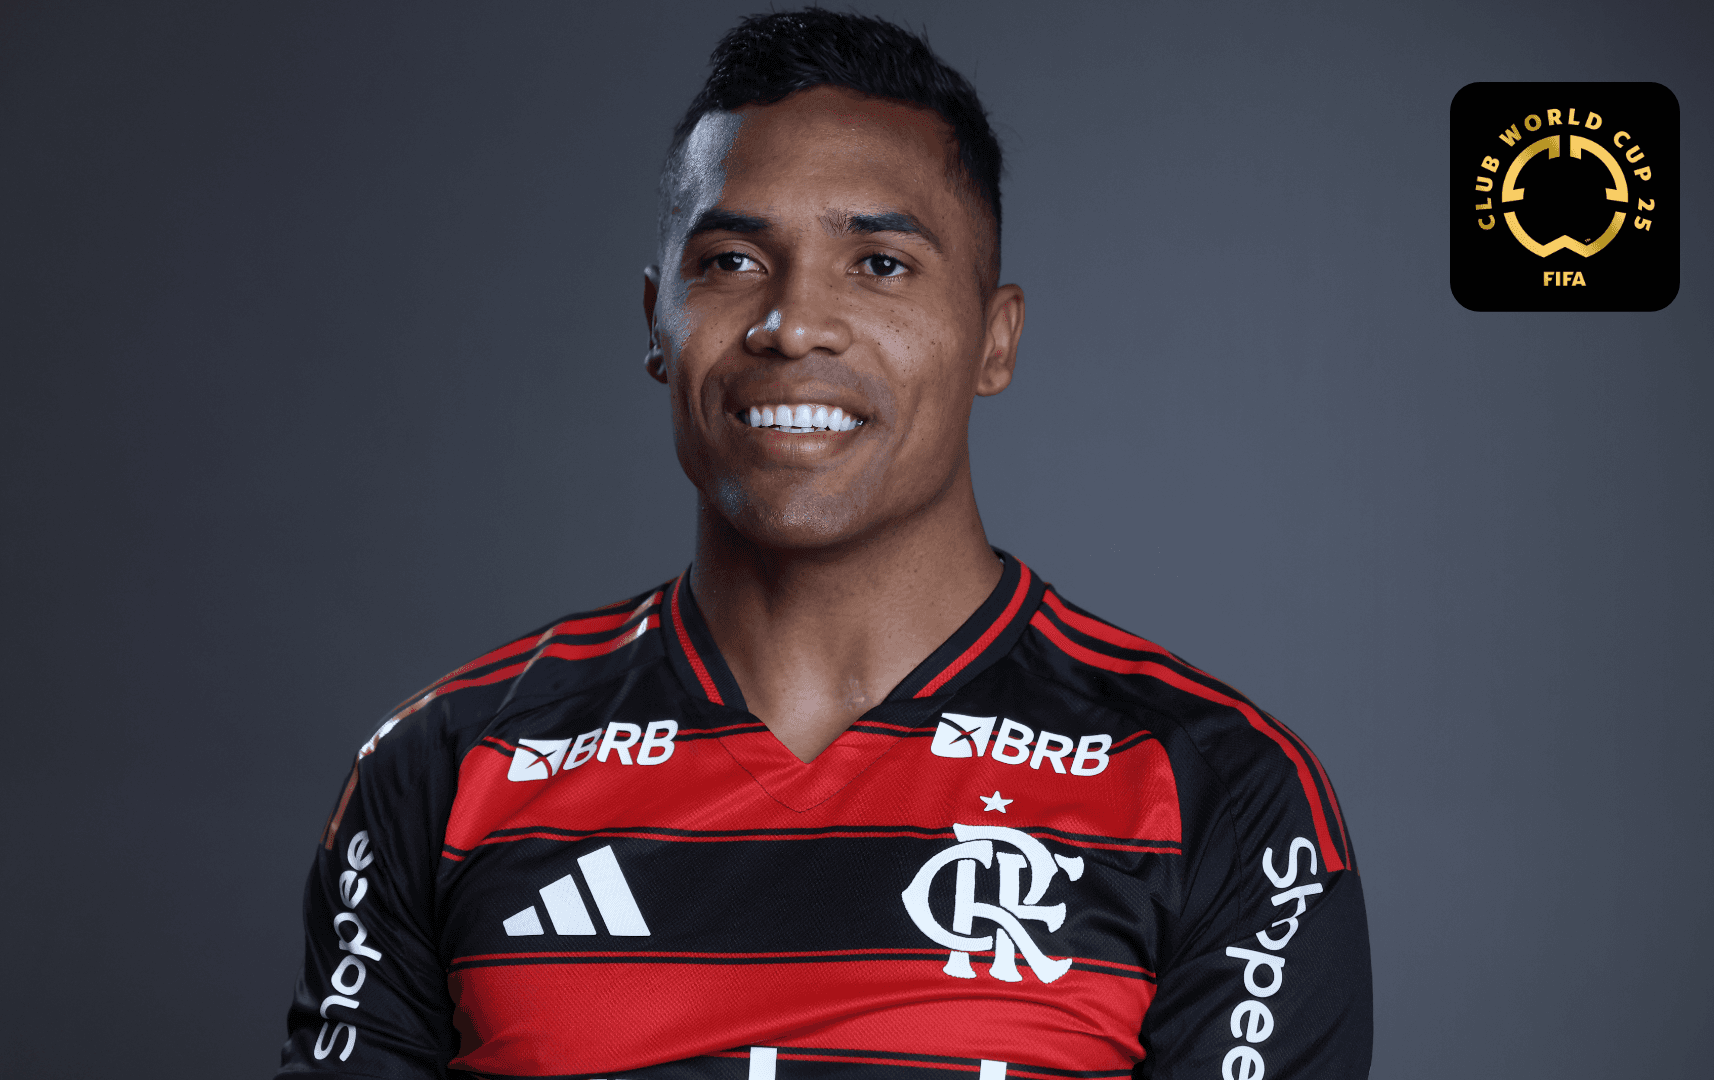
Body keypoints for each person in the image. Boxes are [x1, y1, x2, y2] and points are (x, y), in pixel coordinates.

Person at [278, 9, 1371, 1079]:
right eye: (731, 261)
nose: (793, 323)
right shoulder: (444, 768)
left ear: (995, 341)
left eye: (879, 264)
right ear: (657, 325)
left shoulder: (1215, 788)